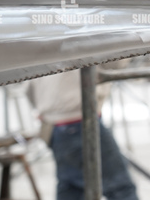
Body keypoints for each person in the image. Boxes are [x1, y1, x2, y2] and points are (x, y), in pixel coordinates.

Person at [26, 67, 139, 200]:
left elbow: (28, 87)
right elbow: (116, 59)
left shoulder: (40, 51)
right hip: (79, 118)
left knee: (72, 188)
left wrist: (46, 110)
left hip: (55, 125)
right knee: (119, 187)